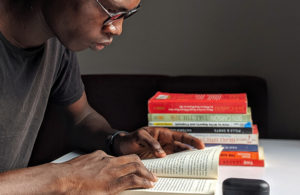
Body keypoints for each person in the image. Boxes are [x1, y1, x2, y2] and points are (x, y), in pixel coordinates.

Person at [0, 0, 205, 194]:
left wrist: (118, 140)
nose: (117, 29)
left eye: (127, 15)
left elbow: (81, 118)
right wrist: (65, 179)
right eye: (110, 11)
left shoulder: (57, 46)